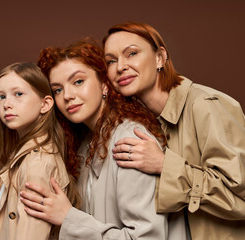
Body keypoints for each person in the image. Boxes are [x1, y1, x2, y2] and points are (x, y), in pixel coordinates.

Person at [103, 22, 245, 239]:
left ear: (160, 57)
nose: (120, 66)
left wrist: (163, 164)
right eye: (111, 60)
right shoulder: (142, 122)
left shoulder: (206, 105)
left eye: (131, 53)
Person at [19, 40, 187, 239]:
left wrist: (68, 218)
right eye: (57, 89)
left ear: (104, 84)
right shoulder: (84, 146)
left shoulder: (129, 140)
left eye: (78, 82)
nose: (67, 95)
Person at [0, 62, 79, 240]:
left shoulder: (36, 164)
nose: (7, 104)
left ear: (45, 104)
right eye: (1, 97)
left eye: (18, 94)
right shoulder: (24, 157)